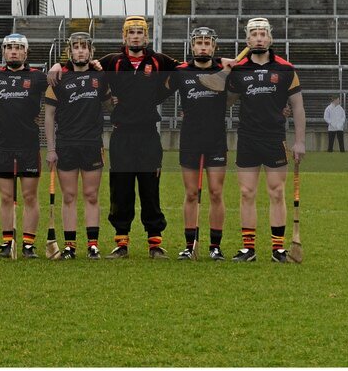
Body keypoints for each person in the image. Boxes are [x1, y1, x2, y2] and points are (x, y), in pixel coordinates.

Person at [49, 16, 180, 259]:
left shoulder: (159, 61)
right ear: (124, 36)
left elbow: (185, 71)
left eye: (140, 31)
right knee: (121, 190)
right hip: (122, 135)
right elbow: (82, 64)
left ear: (147, 36)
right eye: (131, 32)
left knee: (150, 189)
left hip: (149, 135)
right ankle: (121, 243)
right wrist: (59, 65)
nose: (136, 36)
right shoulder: (111, 62)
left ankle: (155, 243)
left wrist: (164, 95)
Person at [204, 17, 306, 263]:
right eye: (254, 34)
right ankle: (248, 248)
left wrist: (300, 141)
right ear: (247, 40)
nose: (259, 38)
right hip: (247, 138)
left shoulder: (285, 69)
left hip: (274, 138)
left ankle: (278, 248)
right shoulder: (239, 69)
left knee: (276, 192)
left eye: (263, 34)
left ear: (270, 38)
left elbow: (298, 107)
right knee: (247, 192)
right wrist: (223, 76)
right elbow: (226, 102)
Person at [43, 32, 111, 260]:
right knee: (69, 196)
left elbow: (111, 105)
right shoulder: (58, 77)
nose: (80, 51)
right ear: (69, 51)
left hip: (92, 143)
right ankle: (70, 245)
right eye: (76, 47)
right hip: (66, 144)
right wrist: (51, 149)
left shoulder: (100, 78)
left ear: (90, 52)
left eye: (84, 47)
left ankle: (92, 244)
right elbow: (49, 116)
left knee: (92, 195)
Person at [164, 27, 229, 261]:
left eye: (207, 43)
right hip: (190, 139)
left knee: (215, 192)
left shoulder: (224, 70)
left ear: (214, 47)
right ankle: (189, 244)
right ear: (192, 46)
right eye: (199, 42)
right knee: (191, 193)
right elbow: (156, 92)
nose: (203, 46)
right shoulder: (181, 72)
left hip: (216, 140)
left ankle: (215, 246)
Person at [0, 33, 44, 258]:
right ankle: (7, 241)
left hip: (29, 145)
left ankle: (28, 244)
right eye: (9, 47)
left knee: (30, 196)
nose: (13, 51)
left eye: (18, 48)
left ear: (25, 53)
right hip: (4, 145)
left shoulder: (38, 77)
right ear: (3, 51)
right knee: (6, 197)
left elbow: (57, 94)